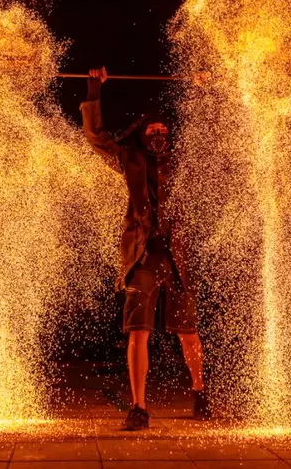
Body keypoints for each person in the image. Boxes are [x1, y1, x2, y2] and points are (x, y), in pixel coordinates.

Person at [81, 66, 209, 430]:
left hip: (176, 257)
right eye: (152, 131)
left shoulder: (182, 162)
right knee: (139, 331)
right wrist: (94, 92)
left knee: (189, 333)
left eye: (163, 132)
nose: (158, 136)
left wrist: (204, 92)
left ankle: (200, 390)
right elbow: (96, 137)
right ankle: (138, 407)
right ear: (142, 135)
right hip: (142, 257)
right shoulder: (130, 160)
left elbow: (209, 135)